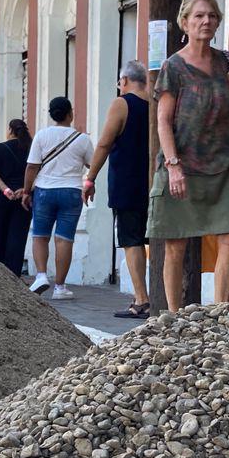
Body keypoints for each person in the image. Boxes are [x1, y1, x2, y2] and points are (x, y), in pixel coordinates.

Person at [150, 0, 229, 310]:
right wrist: (173, 166)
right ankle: (174, 317)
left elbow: (225, 106)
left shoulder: (224, 60)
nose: (206, 21)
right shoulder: (173, 67)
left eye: (212, 15)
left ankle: (220, 312)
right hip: (183, 166)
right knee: (176, 244)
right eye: (199, 16)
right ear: (185, 23)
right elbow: (163, 121)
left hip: (221, 164)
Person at [85, 61, 154, 319]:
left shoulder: (122, 103)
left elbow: (104, 144)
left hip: (127, 183)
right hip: (154, 183)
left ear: (124, 81)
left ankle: (141, 300)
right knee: (156, 239)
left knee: (131, 240)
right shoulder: (154, 104)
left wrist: (90, 178)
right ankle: (162, 296)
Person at [23, 97, 94, 299]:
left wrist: (27, 191)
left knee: (40, 235)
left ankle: (41, 276)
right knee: (64, 240)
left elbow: (32, 167)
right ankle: (60, 287)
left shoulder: (41, 136)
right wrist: (90, 183)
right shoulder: (82, 139)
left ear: (52, 114)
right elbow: (93, 164)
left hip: (44, 191)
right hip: (71, 192)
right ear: (70, 114)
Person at [0, 119, 34, 276]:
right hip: (25, 198)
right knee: (18, 237)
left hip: (1, 198)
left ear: (10, 130)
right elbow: (37, 172)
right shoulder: (31, 149)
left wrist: (5, 189)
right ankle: (14, 276)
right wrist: (26, 190)